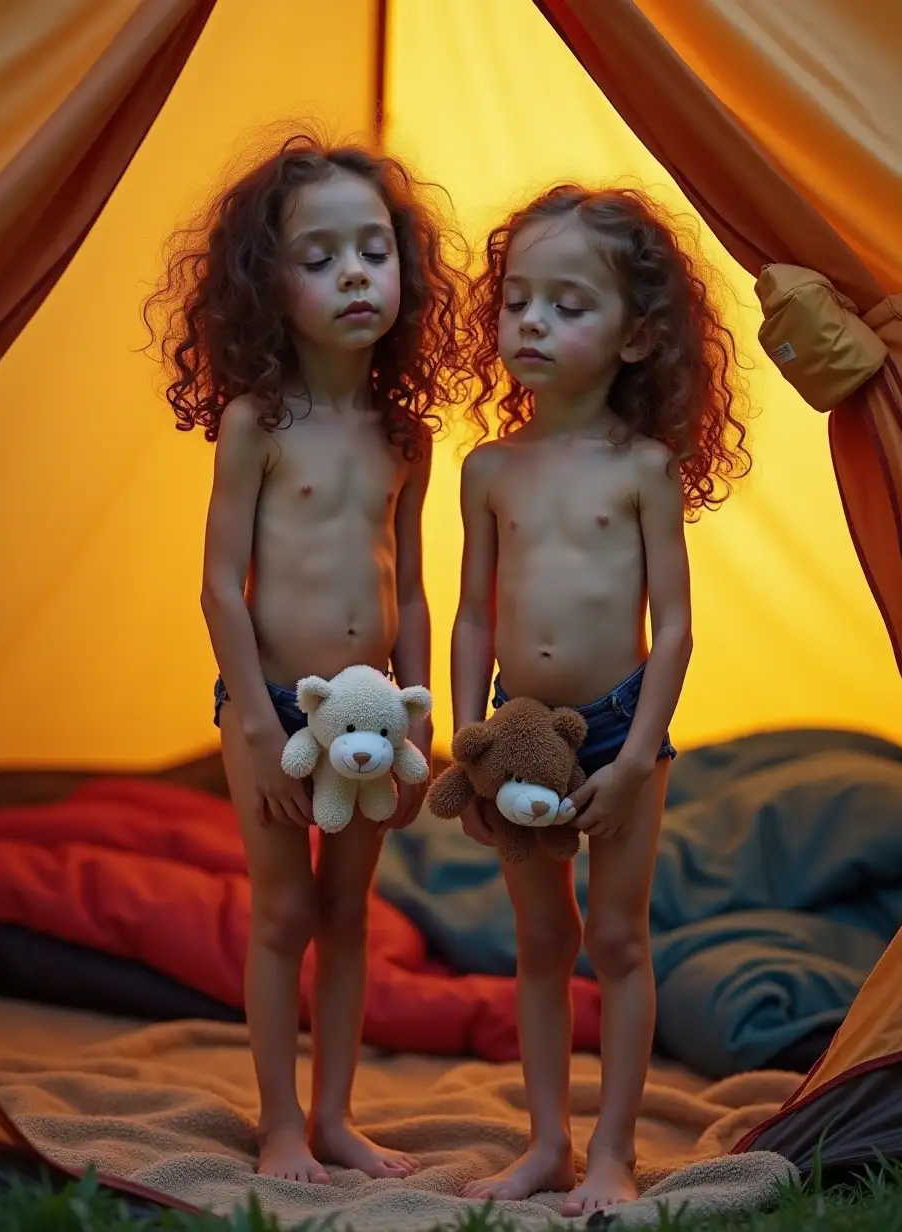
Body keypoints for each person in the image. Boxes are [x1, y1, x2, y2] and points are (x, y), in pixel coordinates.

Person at [143, 131, 470, 1183]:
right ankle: (279, 1122)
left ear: (403, 271)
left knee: (346, 912)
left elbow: (412, 589)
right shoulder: (257, 423)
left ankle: (334, 1117)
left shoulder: (404, 434)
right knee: (283, 909)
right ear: (265, 286)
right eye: (319, 256)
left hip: (374, 720)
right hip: (270, 709)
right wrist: (253, 714)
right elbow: (216, 584)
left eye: (372, 249)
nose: (354, 273)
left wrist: (422, 718)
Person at [452, 185, 751, 1215]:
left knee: (617, 939)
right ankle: (546, 1143)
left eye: (567, 304)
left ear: (636, 338)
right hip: (517, 729)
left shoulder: (642, 469)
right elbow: (472, 619)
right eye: (516, 300)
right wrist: (467, 730)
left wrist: (634, 758)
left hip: (624, 725)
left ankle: (614, 1153)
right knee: (540, 939)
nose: (530, 322)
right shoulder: (487, 467)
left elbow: (673, 626)